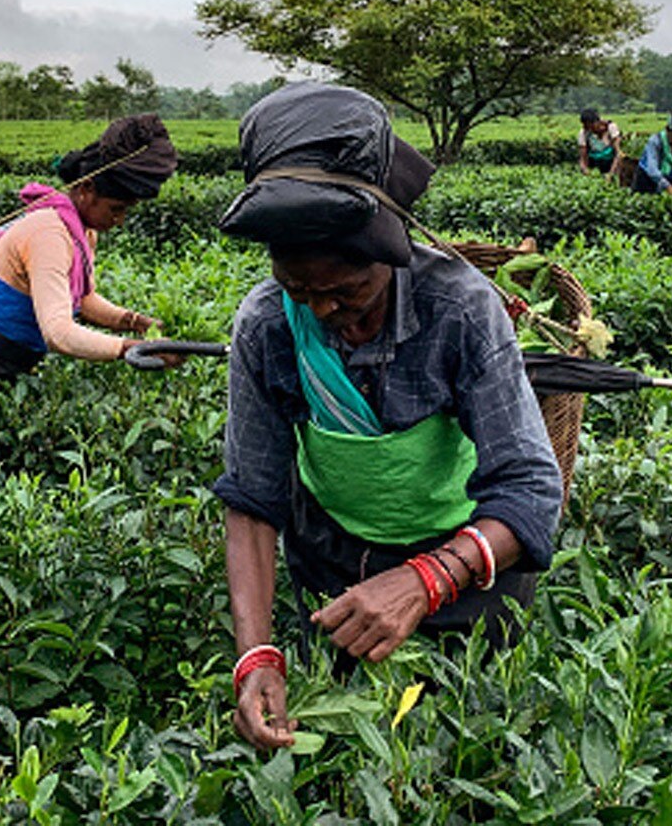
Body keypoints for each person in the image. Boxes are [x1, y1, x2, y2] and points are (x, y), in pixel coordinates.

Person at [213, 83, 563, 751]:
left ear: (391, 253)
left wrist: (430, 576)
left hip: (471, 569)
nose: (322, 313)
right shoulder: (264, 325)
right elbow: (253, 500)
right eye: (300, 290)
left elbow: (530, 490)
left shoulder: (459, 308)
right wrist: (255, 656)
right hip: (336, 573)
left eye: (346, 291)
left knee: (463, 747)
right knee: (347, 747)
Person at [0, 113, 181, 404]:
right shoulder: (49, 232)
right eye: (116, 208)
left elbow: (83, 300)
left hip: (10, 361)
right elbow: (59, 332)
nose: (119, 220)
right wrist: (130, 348)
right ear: (86, 189)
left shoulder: (81, 231)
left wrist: (136, 322)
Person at [577, 108, 621, 178]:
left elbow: (618, 154)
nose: (590, 129)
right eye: (587, 127)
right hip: (595, 164)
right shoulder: (583, 133)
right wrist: (585, 170)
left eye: (591, 126)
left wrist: (611, 174)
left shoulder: (611, 128)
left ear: (597, 122)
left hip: (611, 163)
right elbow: (582, 157)